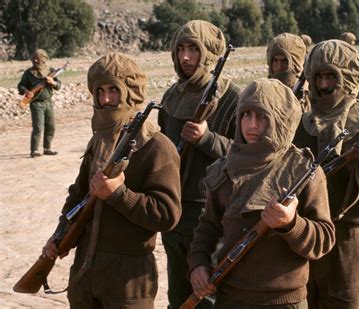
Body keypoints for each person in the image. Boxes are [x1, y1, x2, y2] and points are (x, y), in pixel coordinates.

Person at [41, 52, 182, 308]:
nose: (105, 99)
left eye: (113, 91)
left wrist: (118, 194)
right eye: (100, 91)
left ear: (129, 92)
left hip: (128, 279)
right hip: (86, 273)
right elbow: (78, 195)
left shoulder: (157, 146)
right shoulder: (99, 141)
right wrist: (60, 234)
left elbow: (167, 215)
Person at [188, 78, 336, 308]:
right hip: (231, 298)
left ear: (279, 119)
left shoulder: (303, 170)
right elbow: (207, 226)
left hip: (285, 302)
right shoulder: (224, 169)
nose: (252, 125)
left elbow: (323, 239)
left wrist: (291, 224)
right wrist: (197, 264)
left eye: (262, 116)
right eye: (246, 115)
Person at [293, 39, 359, 308]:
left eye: (332, 76)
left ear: (349, 78)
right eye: (318, 77)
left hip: (348, 246)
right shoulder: (299, 126)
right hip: (302, 240)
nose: (323, 85)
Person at [158, 20, 240, 309]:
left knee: (207, 295)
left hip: (211, 216)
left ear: (209, 53)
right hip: (174, 210)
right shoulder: (171, 97)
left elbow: (247, 156)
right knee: (177, 297)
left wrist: (207, 138)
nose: (186, 58)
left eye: (194, 49)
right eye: (180, 49)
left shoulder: (232, 99)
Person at [18, 49, 61, 157]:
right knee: (38, 127)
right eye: (34, 58)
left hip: (48, 103)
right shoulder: (28, 73)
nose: (36, 61)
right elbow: (21, 86)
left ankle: (47, 148)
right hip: (36, 104)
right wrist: (26, 91)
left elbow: (58, 86)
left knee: (51, 126)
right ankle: (34, 150)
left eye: (38, 58)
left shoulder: (51, 71)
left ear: (44, 59)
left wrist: (53, 82)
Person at [267, 32, 310, 112]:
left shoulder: (312, 94)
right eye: (275, 60)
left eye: (284, 61)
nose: (279, 67)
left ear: (296, 63)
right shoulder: (264, 93)